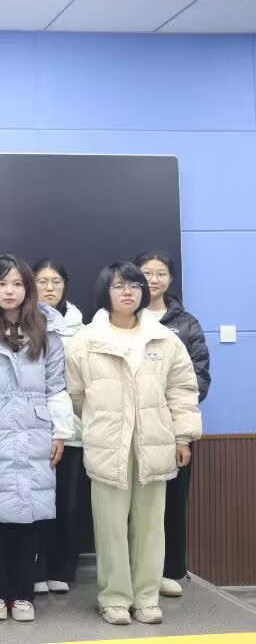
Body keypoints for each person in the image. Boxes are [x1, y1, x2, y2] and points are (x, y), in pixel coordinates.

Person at [65, 262, 201, 626]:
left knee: (151, 525)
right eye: (119, 285)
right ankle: (114, 598)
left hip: (154, 442)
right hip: (109, 444)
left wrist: (182, 436)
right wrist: (103, 421)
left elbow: (182, 391)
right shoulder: (85, 340)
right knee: (109, 526)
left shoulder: (164, 339)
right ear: (104, 292)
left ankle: (146, 598)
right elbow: (76, 395)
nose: (128, 292)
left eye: (135, 285)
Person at [0, 254, 74, 623]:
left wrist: (61, 431)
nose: (9, 291)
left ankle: (23, 594)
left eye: (17, 284)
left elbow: (56, 387)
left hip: (34, 432)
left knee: (30, 516)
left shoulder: (47, 331)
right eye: (1, 283)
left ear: (27, 289)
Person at [134, 250, 211, 599]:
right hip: (133, 427)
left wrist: (168, 414)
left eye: (160, 273)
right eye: (146, 272)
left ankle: (171, 570)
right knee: (133, 504)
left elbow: (199, 376)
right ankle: (136, 570)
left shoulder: (187, 323)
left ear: (171, 279)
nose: (153, 279)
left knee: (173, 503)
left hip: (173, 427)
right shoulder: (123, 318)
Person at [31, 258, 87, 596]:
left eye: (56, 281)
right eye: (42, 281)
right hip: (34, 426)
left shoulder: (81, 329)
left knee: (67, 502)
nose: (50, 287)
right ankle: (35, 568)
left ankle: (62, 568)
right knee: (35, 501)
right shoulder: (24, 322)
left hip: (73, 429)